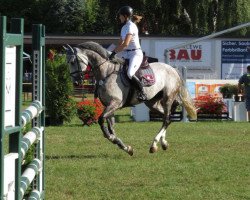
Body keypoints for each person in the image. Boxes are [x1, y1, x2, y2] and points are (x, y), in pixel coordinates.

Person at [109, 6, 146, 101]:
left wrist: (115, 52)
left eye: (120, 16)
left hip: (135, 54)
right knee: (110, 64)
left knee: (130, 73)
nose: (119, 17)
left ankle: (142, 92)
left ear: (125, 16)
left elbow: (125, 44)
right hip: (125, 53)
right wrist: (110, 52)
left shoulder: (131, 27)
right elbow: (120, 43)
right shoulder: (124, 28)